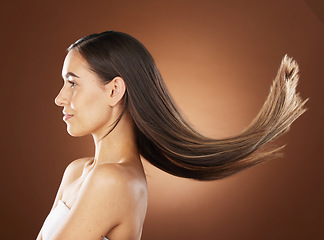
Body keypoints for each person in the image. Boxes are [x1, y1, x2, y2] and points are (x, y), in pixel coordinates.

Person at [36, 31, 307, 240]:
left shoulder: (112, 180)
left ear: (114, 91)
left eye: (72, 83)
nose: (59, 98)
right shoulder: (77, 171)